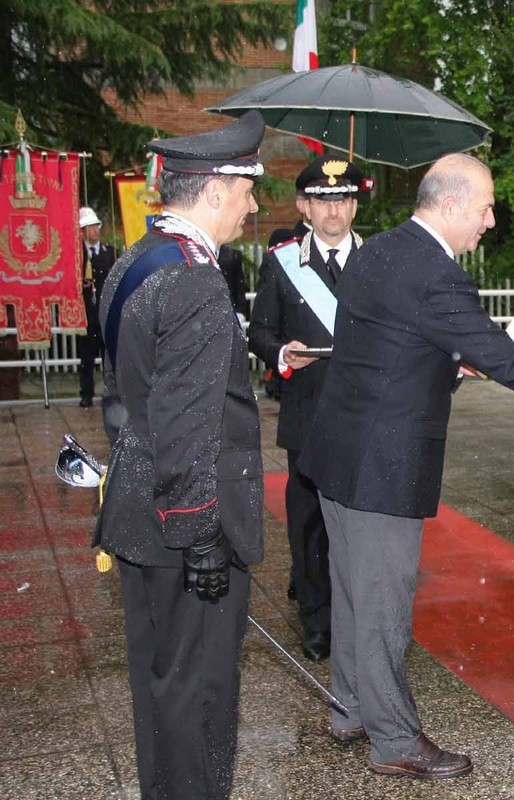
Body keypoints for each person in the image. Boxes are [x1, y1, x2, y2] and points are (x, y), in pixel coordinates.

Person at [298, 153, 514, 779]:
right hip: (382, 465)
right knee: (382, 603)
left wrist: (444, 360)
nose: (490, 220)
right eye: (484, 208)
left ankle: (349, 707)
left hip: (338, 453)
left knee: (349, 590)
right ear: (449, 206)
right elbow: (509, 363)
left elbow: (378, 342)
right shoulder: (436, 275)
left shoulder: (378, 251)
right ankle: (394, 741)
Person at [94, 111, 267, 800]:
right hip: (185, 524)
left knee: (162, 682)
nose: (253, 205)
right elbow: (190, 422)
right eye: (247, 189)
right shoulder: (195, 278)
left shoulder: (136, 257)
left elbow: (126, 398)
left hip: (138, 511)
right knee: (199, 693)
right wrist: (201, 533)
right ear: (216, 189)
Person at [249, 155, 365, 661]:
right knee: (310, 523)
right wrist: (280, 353)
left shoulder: (378, 260)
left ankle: (360, 615)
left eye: (342, 199)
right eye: (322, 200)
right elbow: (259, 331)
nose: (333, 210)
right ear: (304, 206)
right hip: (308, 416)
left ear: (355, 205)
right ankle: (316, 620)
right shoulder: (283, 262)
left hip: (366, 418)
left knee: (363, 525)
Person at [76, 206, 115, 407]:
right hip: (85, 316)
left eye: (96, 226)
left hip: (105, 314)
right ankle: (86, 394)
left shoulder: (110, 253)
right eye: (90, 228)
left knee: (109, 359)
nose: (95, 231)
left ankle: (111, 394)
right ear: (82, 232)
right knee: (86, 359)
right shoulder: (77, 256)